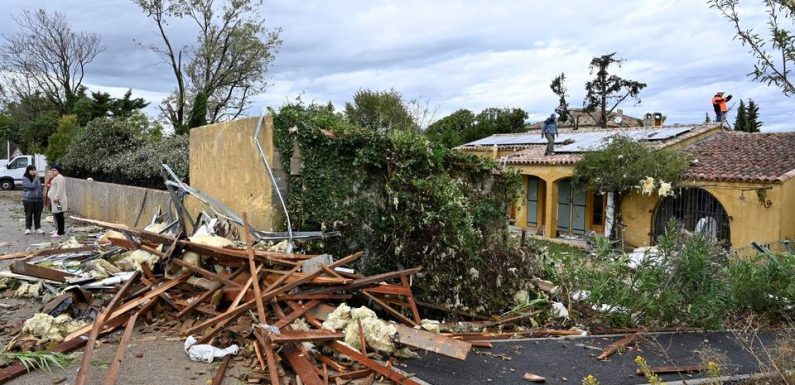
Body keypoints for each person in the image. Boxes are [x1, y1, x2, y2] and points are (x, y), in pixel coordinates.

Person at [21, 165, 44, 235]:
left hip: (38, 199)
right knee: (29, 214)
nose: (33, 171)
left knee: (38, 214)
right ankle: (28, 228)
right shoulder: (25, 177)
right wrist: (36, 179)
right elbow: (32, 186)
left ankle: (38, 228)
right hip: (28, 199)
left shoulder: (37, 177)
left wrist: (41, 195)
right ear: (28, 171)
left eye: (34, 170)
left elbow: (39, 187)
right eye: (31, 170)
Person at [47, 165, 68, 238]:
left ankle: (60, 232)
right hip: (56, 201)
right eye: (52, 170)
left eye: (54, 170)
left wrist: (57, 197)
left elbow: (60, 188)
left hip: (58, 201)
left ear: (58, 171)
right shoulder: (56, 177)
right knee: (57, 215)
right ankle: (58, 230)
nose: (53, 172)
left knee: (59, 216)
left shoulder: (59, 177)